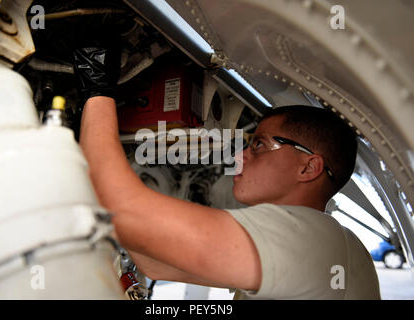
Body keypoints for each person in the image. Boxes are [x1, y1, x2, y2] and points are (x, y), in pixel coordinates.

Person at [72, 41, 381, 299]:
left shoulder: (311, 239)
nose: (241, 155)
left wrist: (96, 92)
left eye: (258, 145)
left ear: (309, 166)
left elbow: (124, 209)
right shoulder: (310, 247)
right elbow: (157, 264)